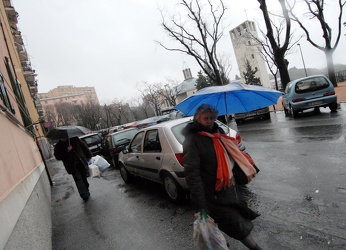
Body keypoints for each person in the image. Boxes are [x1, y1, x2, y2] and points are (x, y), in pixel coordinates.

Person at [183, 104, 262, 250]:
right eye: (205, 118)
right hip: (211, 195)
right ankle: (256, 248)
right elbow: (192, 174)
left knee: (225, 222)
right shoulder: (192, 140)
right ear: (197, 118)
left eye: (212, 118)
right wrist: (200, 204)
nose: (209, 121)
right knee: (235, 223)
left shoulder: (218, 133)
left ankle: (223, 244)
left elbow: (227, 157)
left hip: (228, 189)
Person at [54, 135, 93, 201]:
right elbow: (57, 157)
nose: (63, 138)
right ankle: (84, 195)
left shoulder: (74, 139)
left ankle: (86, 189)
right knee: (78, 179)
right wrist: (67, 151)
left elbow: (83, 147)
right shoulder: (58, 146)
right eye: (62, 137)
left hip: (81, 162)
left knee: (84, 178)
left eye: (64, 136)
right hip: (72, 166)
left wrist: (90, 156)